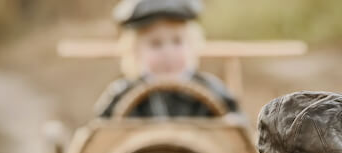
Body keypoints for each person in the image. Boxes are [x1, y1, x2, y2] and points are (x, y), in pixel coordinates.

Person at [96, 0, 239, 118]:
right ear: (135, 52)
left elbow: (239, 137)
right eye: (156, 44)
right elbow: (99, 138)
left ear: (192, 45)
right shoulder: (120, 96)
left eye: (177, 41)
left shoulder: (214, 92)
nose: (168, 53)